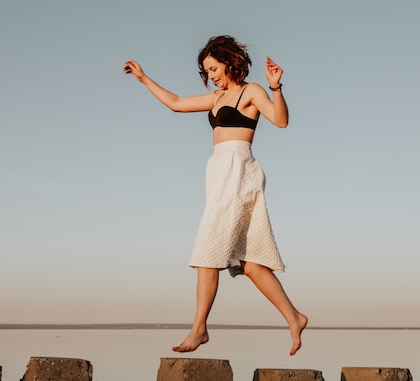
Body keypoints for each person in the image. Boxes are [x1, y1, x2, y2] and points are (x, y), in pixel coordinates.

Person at [123, 35, 308, 356]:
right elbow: (177, 103)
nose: (211, 75)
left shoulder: (251, 91)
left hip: (239, 171)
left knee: (207, 253)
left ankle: (199, 329)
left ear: (230, 62)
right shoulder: (218, 97)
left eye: (214, 68)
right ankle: (294, 316)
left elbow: (280, 121)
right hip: (219, 172)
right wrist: (143, 79)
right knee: (250, 263)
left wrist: (276, 87)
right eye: (206, 71)